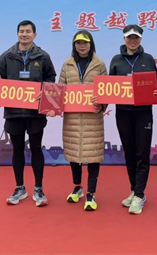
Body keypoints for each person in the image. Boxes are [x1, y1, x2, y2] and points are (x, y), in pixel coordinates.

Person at [0, 20, 57, 207]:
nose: (24, 34)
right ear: (17, 34)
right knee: (17, 149)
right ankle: (19, 187)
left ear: (35, 35)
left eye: (28, 31)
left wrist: (44, 90)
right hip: (13, 113)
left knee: (36, 148)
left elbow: (51, 78)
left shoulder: (43, 56)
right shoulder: (7, 56)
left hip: (35, 112)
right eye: (21, 31)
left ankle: (38, 188)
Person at [109, 24, 157, 215]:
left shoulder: (148, 59)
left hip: (143, 112)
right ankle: (134, 189)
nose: (133, 41)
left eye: (136, 38)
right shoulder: (116, 60)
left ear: (141, 39)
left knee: (142, 153)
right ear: (124, 39)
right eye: (129, 37)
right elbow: (109, 86)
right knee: (130, 152)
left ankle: (140, 194)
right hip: (123, 112)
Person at [56, 30, 108, 211]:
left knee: (93, 155)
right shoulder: (67, 64)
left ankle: (91, 193)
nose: (82, 46)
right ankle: (77, 187)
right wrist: (53, 105)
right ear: (74, 45)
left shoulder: (99, 65)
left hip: (92, 118)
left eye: (85, 42)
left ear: (91, 44)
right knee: (74, 153)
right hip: (72, 118)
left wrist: (101, 103)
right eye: (78, 43)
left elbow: (106, 91)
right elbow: (60, 89)